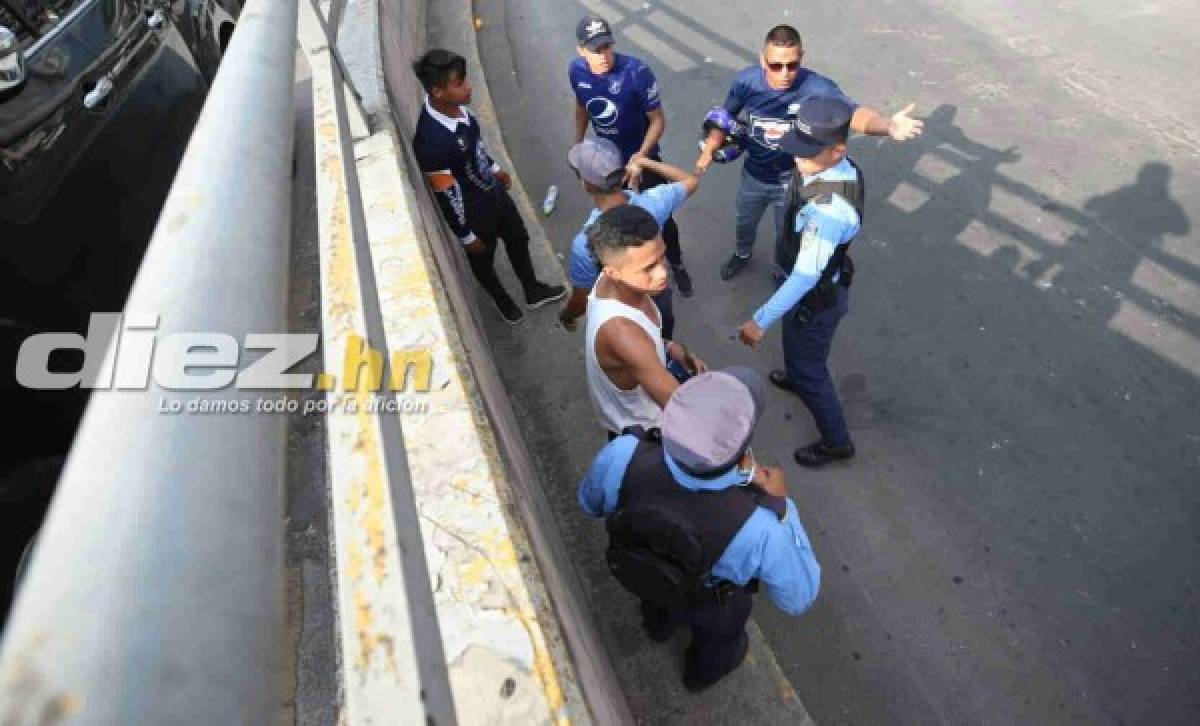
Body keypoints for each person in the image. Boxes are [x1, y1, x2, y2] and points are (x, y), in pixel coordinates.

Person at [579, 367, 821, 691]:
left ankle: (658, 627)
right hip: (712, 602)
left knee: (657, 600)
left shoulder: (624, 453)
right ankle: (698, 677)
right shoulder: (762, 528)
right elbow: (798, 598)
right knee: (718, 646)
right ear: (743, 442)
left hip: (648, 570)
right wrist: (783, 507)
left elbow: (590, 504)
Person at [694, 24, 922, 281]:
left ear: (802, 56)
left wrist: (887, 125)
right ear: (762, 59)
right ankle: (742, 254)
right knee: (744, 223)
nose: (784, 74)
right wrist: (710, 149)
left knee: (786, 233)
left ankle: (782, 269)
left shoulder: (817, 88)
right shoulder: (746, 82)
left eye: (792, 65)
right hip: (753, 177)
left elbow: (852, 114)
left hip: (791, 181)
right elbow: (725, 119)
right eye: (775, 65)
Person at [738, 97, 863, 468]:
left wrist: (759, 320)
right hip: (820, 285)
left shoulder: (828, 212)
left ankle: (836, 441)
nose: (797, 159)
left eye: (807, 153)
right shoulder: (837, 169)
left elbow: (805, 276)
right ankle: (796, 372)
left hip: (817, 296)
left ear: (838, 149)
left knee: (812, 370)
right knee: (798, 349)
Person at [411, 49, 565, 324]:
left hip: (495, 194)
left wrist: (494, 170)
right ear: (438, 92)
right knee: (483, 262)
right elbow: (447, 195)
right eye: (459, 84)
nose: (469, 87)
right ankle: (503, 302)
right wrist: (466, 236)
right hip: (474, 213)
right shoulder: (429, 142)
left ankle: (532, 290)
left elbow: (476, 149)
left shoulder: (460, 111)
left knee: (518, 238)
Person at [570, 15, 694, 296]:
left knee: (661, 217)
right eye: (595, 50)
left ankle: (675, 261)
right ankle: (629, 271)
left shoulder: (635, 72)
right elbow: (581, 107)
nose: (603, 56)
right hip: (607, 167)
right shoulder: (576, 72)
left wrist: (640, 157)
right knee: (614, 223)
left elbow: (658, 120)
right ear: (581, 50)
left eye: (606, 47)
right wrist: (577, 146)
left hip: (641, 159)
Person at [559, 138, 700, 338]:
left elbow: (582, 298)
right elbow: (691, 181)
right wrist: (644, 162)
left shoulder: (585, 242)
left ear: (585, 185)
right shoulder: (653, 201)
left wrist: (568, 315)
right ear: (624, 171)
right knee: (664, 339)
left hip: (625, 316)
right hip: (658, 298)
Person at [584, 205, 706, 437]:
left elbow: (646, 337)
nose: (662, 273)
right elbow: (681, 412)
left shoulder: (614, 280)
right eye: (648, 268)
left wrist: (670, 347)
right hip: (647, 432)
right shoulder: (622, 333)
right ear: (612, 273)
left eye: (662, 257)